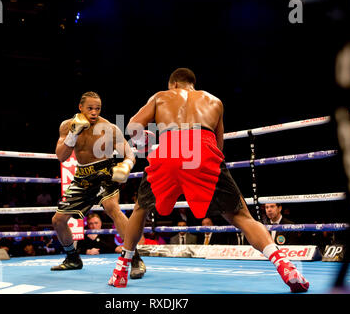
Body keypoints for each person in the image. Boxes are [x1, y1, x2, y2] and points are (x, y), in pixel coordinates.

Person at [108, 68, 309, 292]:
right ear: (192, 84)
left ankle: (121, 270)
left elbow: (132, 126)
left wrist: (144, 141)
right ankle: (284, 265)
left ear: (173, 84)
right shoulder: (215, 101)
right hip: (203, 148)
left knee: (140, 210)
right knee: (242, 217)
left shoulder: (160, 96)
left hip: (169, 150)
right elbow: (218, 146)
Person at [51, 91, 146, 279]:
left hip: (105, 173)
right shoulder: (67, 126)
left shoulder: (109, 128)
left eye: (98, 108)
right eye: (90, 108)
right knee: (58, 220)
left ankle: (135, 258)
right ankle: (72, 258)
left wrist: (126, 165)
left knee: (113, 208)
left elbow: (129, 154)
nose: (94, 112)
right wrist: (73, 134)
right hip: (82, 176)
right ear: (80, 107)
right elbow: (61, 156)